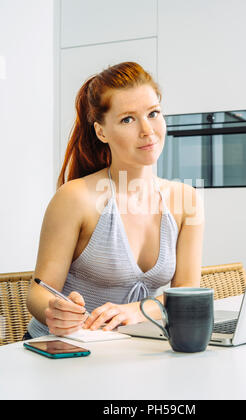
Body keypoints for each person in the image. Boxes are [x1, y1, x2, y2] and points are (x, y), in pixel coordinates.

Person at [25, 62, 204, 339]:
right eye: (128, 119)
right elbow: (38, 291)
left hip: (131, 347)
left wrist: (137, 310)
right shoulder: (75, 198)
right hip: (65, 348)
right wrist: (55, 309)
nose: (147, 130)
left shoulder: (186, 199)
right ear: (101, 132)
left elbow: (186, 295)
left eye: (153, 113)